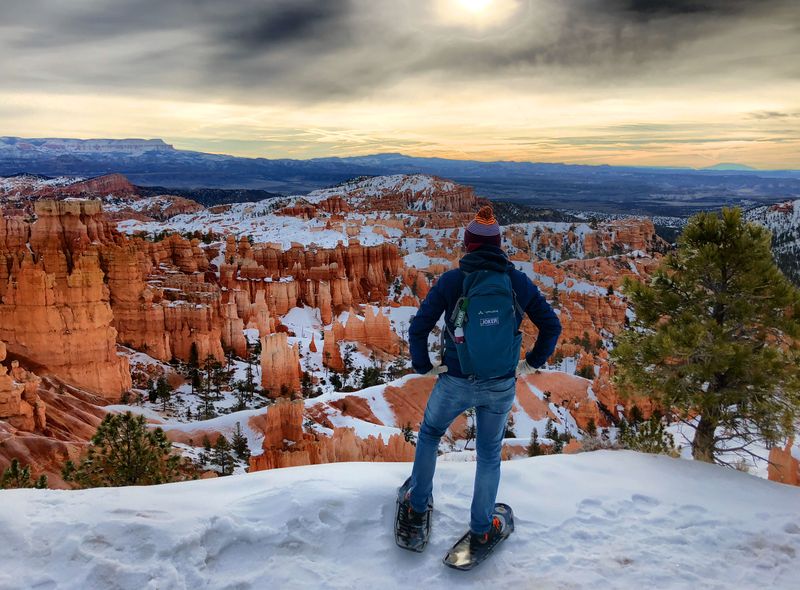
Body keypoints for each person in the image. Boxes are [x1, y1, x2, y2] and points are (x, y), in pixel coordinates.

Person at [399, 205, 561, 549]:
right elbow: (551, 326)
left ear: (468, 245)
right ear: (498, 245)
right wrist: (531, 363)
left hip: (455, 378)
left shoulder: (452, 280)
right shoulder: (516, 281)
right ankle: (482, 527)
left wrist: (423, 365)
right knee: (488, 455)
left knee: (430, 434)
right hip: (501, 383)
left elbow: (419, 326)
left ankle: (415, 509)